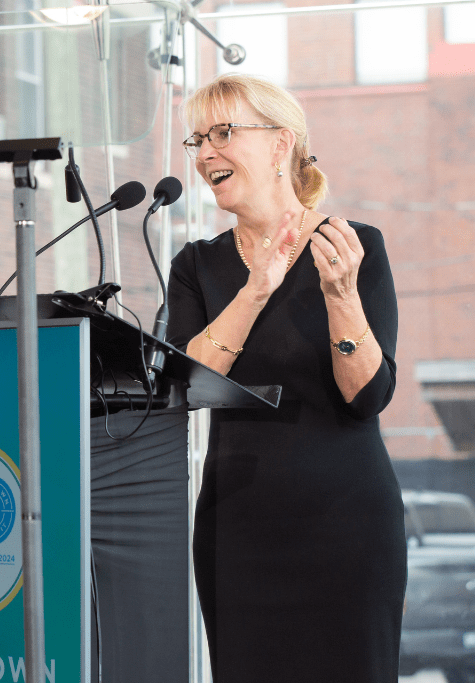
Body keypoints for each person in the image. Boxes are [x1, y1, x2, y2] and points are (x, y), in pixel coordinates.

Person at [167, 73, 404, 681]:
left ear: (281, 143)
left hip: (347, 524)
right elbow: (188, 384)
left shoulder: (354, 247)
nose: (206, 153)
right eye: (197, 140)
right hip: (237, 529)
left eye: (223, 133)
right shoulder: (196, 264)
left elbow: (368, 396)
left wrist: (341, 294)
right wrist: (256, 289)